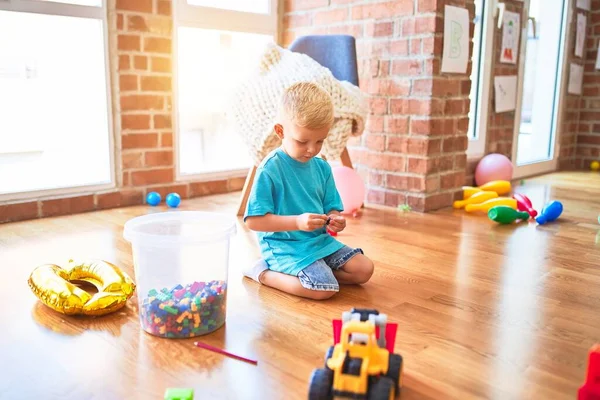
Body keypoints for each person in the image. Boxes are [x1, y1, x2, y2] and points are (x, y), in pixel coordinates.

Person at [242, 81, 374, 300]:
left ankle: (315, 273)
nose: (312, 149)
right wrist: (297, 223)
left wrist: (335, 219)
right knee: (323, 289)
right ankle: (263, 273)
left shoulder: (321, 167)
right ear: (280, 131)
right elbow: (253, 221)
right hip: (285, 246)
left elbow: (332, 208)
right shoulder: (270, 168)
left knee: (364, 270)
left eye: (320, 141)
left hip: (317, 242)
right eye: (303, 141)